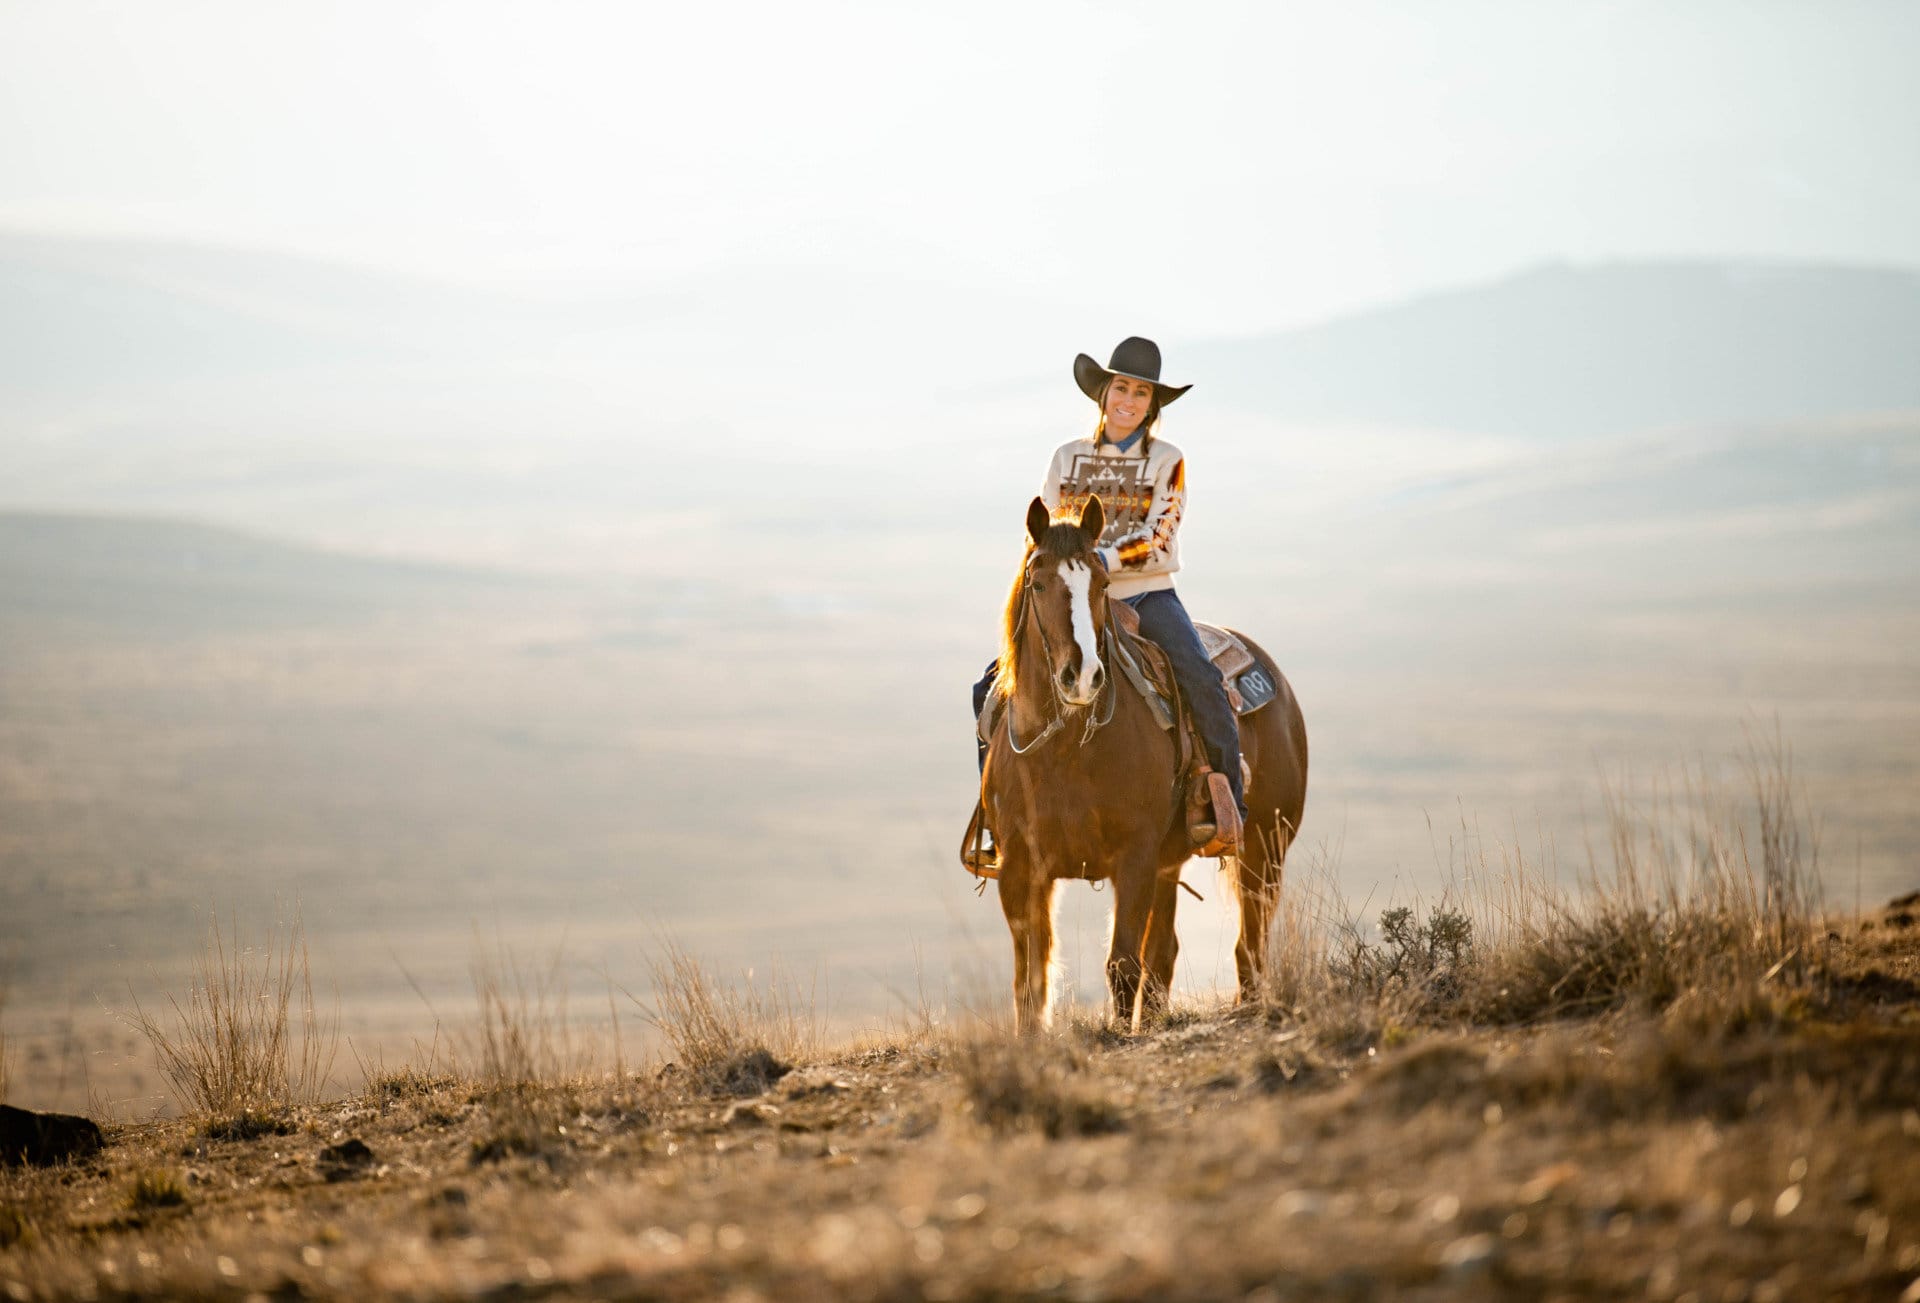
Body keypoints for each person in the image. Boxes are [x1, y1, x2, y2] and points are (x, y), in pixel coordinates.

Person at [968, 336, 1245, 867]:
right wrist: (1066, 576)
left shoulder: (1169, 460)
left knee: (1200, 676)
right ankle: (994, 817)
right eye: (1122, 387)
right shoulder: (1066, 458)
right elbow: (1043, 531)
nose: (1129, 400)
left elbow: (1160, 535)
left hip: (1144, 594)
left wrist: (1102, 565)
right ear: (1104, 393)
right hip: (1069, 597)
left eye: (1142, 394)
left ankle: (1223, 805)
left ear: (1152, 405)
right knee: (989, 688)